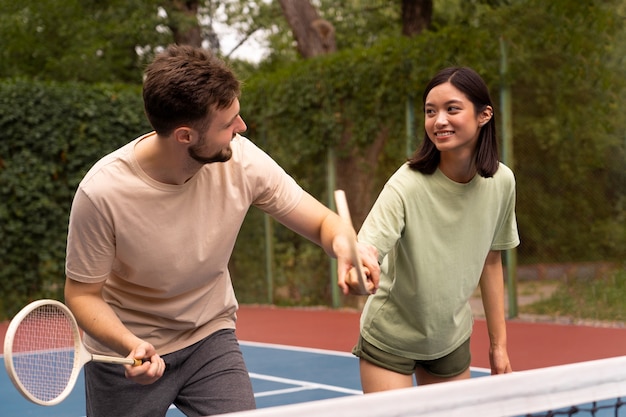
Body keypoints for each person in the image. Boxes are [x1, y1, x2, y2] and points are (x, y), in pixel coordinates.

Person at [63, 44, 379, 417]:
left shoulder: (242, 160)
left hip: (208, 338)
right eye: (228, 123)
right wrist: (130, 344)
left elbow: (324, 222)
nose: (241, 128)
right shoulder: (101, 192)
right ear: (185, 136)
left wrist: (345, 247)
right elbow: (82, 294)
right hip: (127, 357)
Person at [350, 66, 520, 392]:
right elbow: (368, 247)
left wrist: (498, 346)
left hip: (451, 340)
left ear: (484, 115)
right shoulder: (407, 183)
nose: (438, 120)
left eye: (451, 109)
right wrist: (360, 269)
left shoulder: (502, 182)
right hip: (391, 338)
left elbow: (491, 261)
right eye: (431, 111)